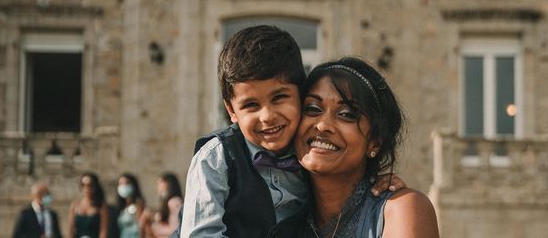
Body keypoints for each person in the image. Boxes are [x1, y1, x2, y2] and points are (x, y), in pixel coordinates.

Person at [179, 25, 402, 238]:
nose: (267, 116)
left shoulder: (309, 153)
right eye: (251, 105)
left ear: (300, 94)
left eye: (279, 98)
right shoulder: (217, 157)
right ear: (231, 111)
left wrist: (377, 180)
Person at [272, 57, 440, 237]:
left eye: (346, 114)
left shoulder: (400, 210)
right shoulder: (282, 219)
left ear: (374, 142)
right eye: (313, 109)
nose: (322, 125)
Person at [67, 172, 109, 238]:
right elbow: (71, 230)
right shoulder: (75, 205)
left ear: (95, 186)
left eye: (89, 185)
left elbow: (103, 232)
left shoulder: (101, 206)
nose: (86, 188)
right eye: (83, 185)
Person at [116, 173, 150, 238]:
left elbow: (141, 227)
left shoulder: (138, 203)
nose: (123, 186)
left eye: (126, 183)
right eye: (121, 184)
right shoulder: (122, 207)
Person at [150, 173, 183, 238]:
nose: (158, 187)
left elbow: (175, 230)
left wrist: (155, 227)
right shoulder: (168, 202)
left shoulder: (174, 202)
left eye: (160, 183)